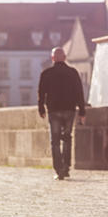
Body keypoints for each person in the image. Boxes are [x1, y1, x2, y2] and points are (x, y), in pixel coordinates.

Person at [38, 46, 86, 180]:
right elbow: (79, 93)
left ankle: (58, 169)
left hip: (54, 111)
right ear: (65, 58)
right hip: (69, 110)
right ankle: (66, 167)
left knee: (55, 141)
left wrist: (41, 109)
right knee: (67, 138)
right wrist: (82, 111)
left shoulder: (46, 73)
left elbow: (41, 93)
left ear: (52, 58)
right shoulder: (73, 72)